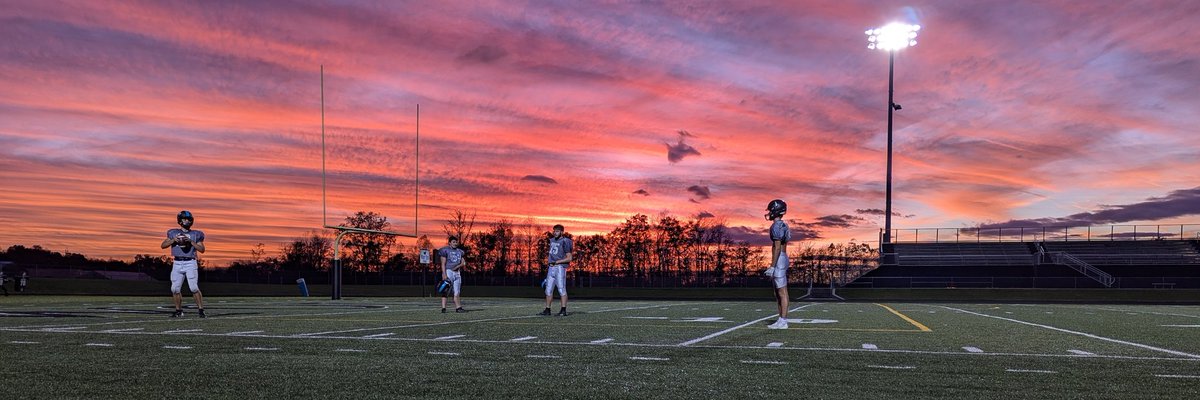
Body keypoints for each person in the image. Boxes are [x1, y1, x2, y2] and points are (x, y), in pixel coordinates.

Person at [159, 210, 206, 318]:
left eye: (189, 219)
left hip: (190, 262)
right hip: (177, 262)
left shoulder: (196, 234)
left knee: (194, 288)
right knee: (175, 289)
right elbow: (163, 245)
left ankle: (201, 310)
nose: (188, 221)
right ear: (180, 220)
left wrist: (190, 242)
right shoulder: (173, 233)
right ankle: (178, 311)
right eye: (185, 219)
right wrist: (174, 240)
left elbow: (202, 249)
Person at [764, 199, 791, 329]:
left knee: (782, 291)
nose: (769, 213)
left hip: (779, 259)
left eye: (770, 210)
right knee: (778, 292)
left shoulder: (776, 226)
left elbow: (778, 247)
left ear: (775, 211)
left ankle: (783, 320)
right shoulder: (784, 225)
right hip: (783, 257)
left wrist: (773, 266)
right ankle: (781, 319)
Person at [540, 224, 572, 316]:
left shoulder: (565, 241)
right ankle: (547, 309)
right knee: (548, 289)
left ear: (562, 232)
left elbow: (569, 258)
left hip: (560, 268)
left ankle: (563, 310)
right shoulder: (552, 240)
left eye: (557, 231)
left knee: (561, 289)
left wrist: (557, 262)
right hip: (551, 268)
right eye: (554, 231)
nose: (555, 232)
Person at [438, 236, 466, 313]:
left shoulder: (460, 251)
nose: (455, 243)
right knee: (446, 289)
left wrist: (457, 266)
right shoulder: (445, 250)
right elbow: (443, 263)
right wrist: (444, 274)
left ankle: (458, 308)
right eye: (453, 242)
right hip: (449, 271)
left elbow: (463, 263)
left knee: (457, 291)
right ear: (449, 242)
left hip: (457, 273)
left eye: (456, 242)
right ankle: (443, 308)